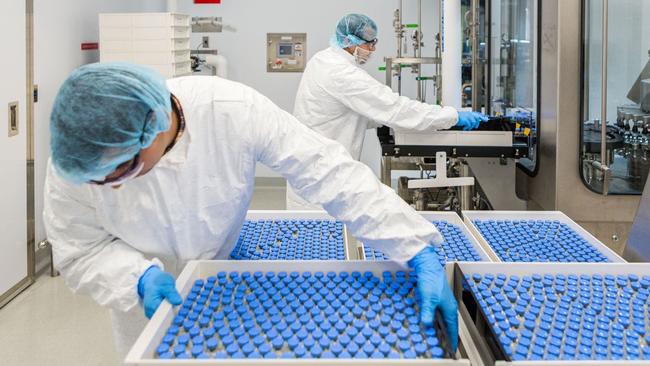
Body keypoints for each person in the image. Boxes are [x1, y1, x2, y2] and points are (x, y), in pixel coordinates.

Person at [43, 63, 458, 362]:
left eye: (128, 169)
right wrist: (137, 279)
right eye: (103, 180)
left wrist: (414, 246)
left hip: (223, 278)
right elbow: (79, 249)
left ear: (155, 125)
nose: (114, 184)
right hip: (142, 303)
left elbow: (329, 172)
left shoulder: (231, 110)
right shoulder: (82, 156)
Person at [286, 13, 488, 210]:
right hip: (321, 180)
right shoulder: (342, 73)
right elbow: (395, 108)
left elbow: (349, 113)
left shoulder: (323, 60)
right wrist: (451, 116)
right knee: (322, 239)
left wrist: (392, 116)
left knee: (324, 239)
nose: (372, 49)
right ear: (349, 41)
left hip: (313, 169)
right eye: (369, 44)